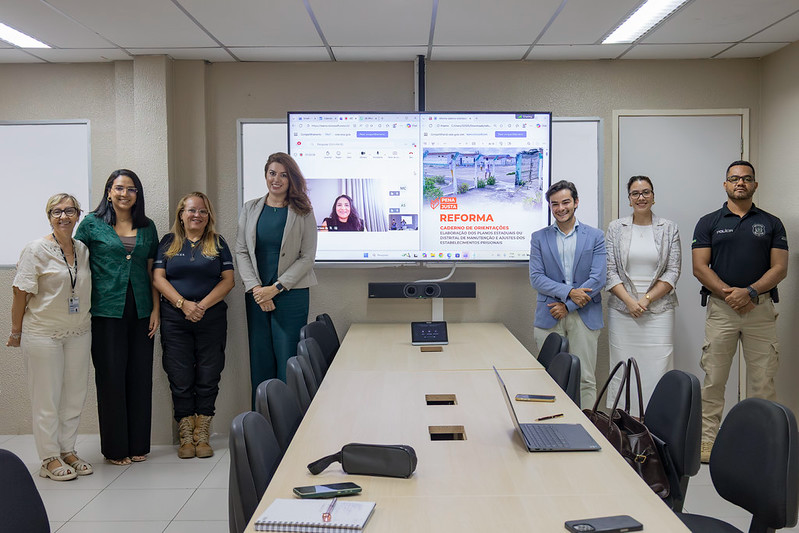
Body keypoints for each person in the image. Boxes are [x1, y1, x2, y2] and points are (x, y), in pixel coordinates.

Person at [692, 160, 788, 463]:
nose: (740, 183)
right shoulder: (708, 222)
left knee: (762, 382)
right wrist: (728, 294)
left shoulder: (772, 223)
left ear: (755, 185)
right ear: (725, 185)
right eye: (734, 179)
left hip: (759, 310)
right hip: (722, 310)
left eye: (746, 179)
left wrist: (750, 292)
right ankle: (707, 442)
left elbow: (780, 268)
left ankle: (760, 443)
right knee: (714, 380)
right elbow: (699, 267)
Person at [75, 169, 159, 466]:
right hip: (105, 310)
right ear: (109, 191)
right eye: (119, 188)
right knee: (111, 378)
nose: (125, 194)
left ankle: (138, 444)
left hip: (141, 310)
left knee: (139, 376)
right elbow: (75, 265)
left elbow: (153, 272)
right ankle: (114, 449)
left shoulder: (147, 227)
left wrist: (155, 311)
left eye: (132, 189)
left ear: (138, 195)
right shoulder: (90, 225)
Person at [7, 194, 93, 481]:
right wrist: (15, 331)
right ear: (49, 216)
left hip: (79, 331)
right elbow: (20, 293)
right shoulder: (35, 250)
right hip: (43, 334)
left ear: (78, 215)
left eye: (69, 210)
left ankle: (67, 450)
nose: (63, 216)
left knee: (74, 397)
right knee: (47, 399)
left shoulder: (82, 249)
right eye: (56, 211)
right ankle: (48, 458)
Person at [153, 192, 234, 459]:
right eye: (191, 210)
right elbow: (158, 278)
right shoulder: (168, 242)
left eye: (202, 211)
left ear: (208, 215)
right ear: (181, 213)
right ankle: (186, 434)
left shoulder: (217, 242)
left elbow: (228, 281)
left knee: (209, 374)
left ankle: (202, 435)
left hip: (210, 318)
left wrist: (201, 306)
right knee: (180, 375)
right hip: (176, 319)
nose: (196, 215)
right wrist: (182, 304)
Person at [235, 152, 318, 406]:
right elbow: (241, 250)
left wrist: (277, 288)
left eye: (283, 174)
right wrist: (257, 289)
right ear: (265, 175)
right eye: (272, 173)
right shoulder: (250, 208)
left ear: (291, 178)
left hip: (291, 295)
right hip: (257, 296)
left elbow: (307, 257)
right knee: (260, 360)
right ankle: (262, 427)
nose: (277, 179)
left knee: (288, 360)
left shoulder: (303, 211)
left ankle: (289, 427)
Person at [605, 176, 681, 414]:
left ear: (653, 196)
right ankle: (626, 428)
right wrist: (629, 302)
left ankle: (657, 425)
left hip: (658, 311)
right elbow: (609, 271)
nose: (641, 197)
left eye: (646, 192)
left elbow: (673, 270)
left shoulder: (669, 227)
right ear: (629, 199)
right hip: (622, 311)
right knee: (623, 368)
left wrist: (645, 300)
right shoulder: (616, 228)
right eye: (635, 193)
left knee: (658, 367)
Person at [529, 180, 606, 408]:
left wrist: (569, 306)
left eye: (565, 202)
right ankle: (552, 429)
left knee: (586, 378)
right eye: (555, 204)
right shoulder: (539, 237)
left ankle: (589, 430)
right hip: (550, 314)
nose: (560, 208)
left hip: (585, 315)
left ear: (576, 202)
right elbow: (537, 278)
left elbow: (598, 278)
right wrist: (570, 293)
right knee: (548, 378)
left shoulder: (595, 236)